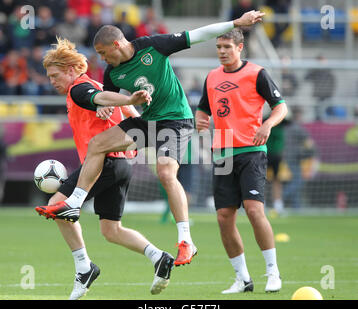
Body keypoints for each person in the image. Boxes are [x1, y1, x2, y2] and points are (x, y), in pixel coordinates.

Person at [35, 10, 266, 267]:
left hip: (176, 119)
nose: (101, 59)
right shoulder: (112, 73)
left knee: (166, 173)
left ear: (117, 44)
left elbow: (198, 35)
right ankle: (75, 202)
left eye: (103, 53)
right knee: (98, 144)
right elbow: (110, 100)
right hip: (149, 122)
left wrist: (236, 23)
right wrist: (104, 108)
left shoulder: (154, 46)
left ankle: (186, 241)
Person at [38, 37, 173, 300]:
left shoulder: (79, 87)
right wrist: (118, 107)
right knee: (110, 230)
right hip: (122, 164)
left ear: (70, 69)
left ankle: (84, 267)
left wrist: (109, 103)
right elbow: (134, 114)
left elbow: (99, 97)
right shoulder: (95, 85)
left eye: (55, 75)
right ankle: (159, 257)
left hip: (105, 162)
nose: (52, 81)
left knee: (57, 204)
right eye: (49, 76)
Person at [195, 28, 287, 293]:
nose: (222, 52)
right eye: (218, 48)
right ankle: (243, 279)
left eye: (227, 47)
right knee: (224, 217)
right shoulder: (211, 77)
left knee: (254, 208)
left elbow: (281, 107)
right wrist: (201, 118)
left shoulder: (257, 74)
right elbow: (204, 108)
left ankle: (273, 273)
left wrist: (267, 124)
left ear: (240, 47)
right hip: (222, 153)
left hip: (251, 150)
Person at [283, 106, 315, 209]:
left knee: (295, 181)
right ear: (298, 115)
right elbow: (309, 143)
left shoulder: (287, 126)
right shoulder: (298, 128)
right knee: (298, 181)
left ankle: (296, 206)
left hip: (286, 156)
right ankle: (280, 198)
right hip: (294, 157)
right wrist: (312, 153)